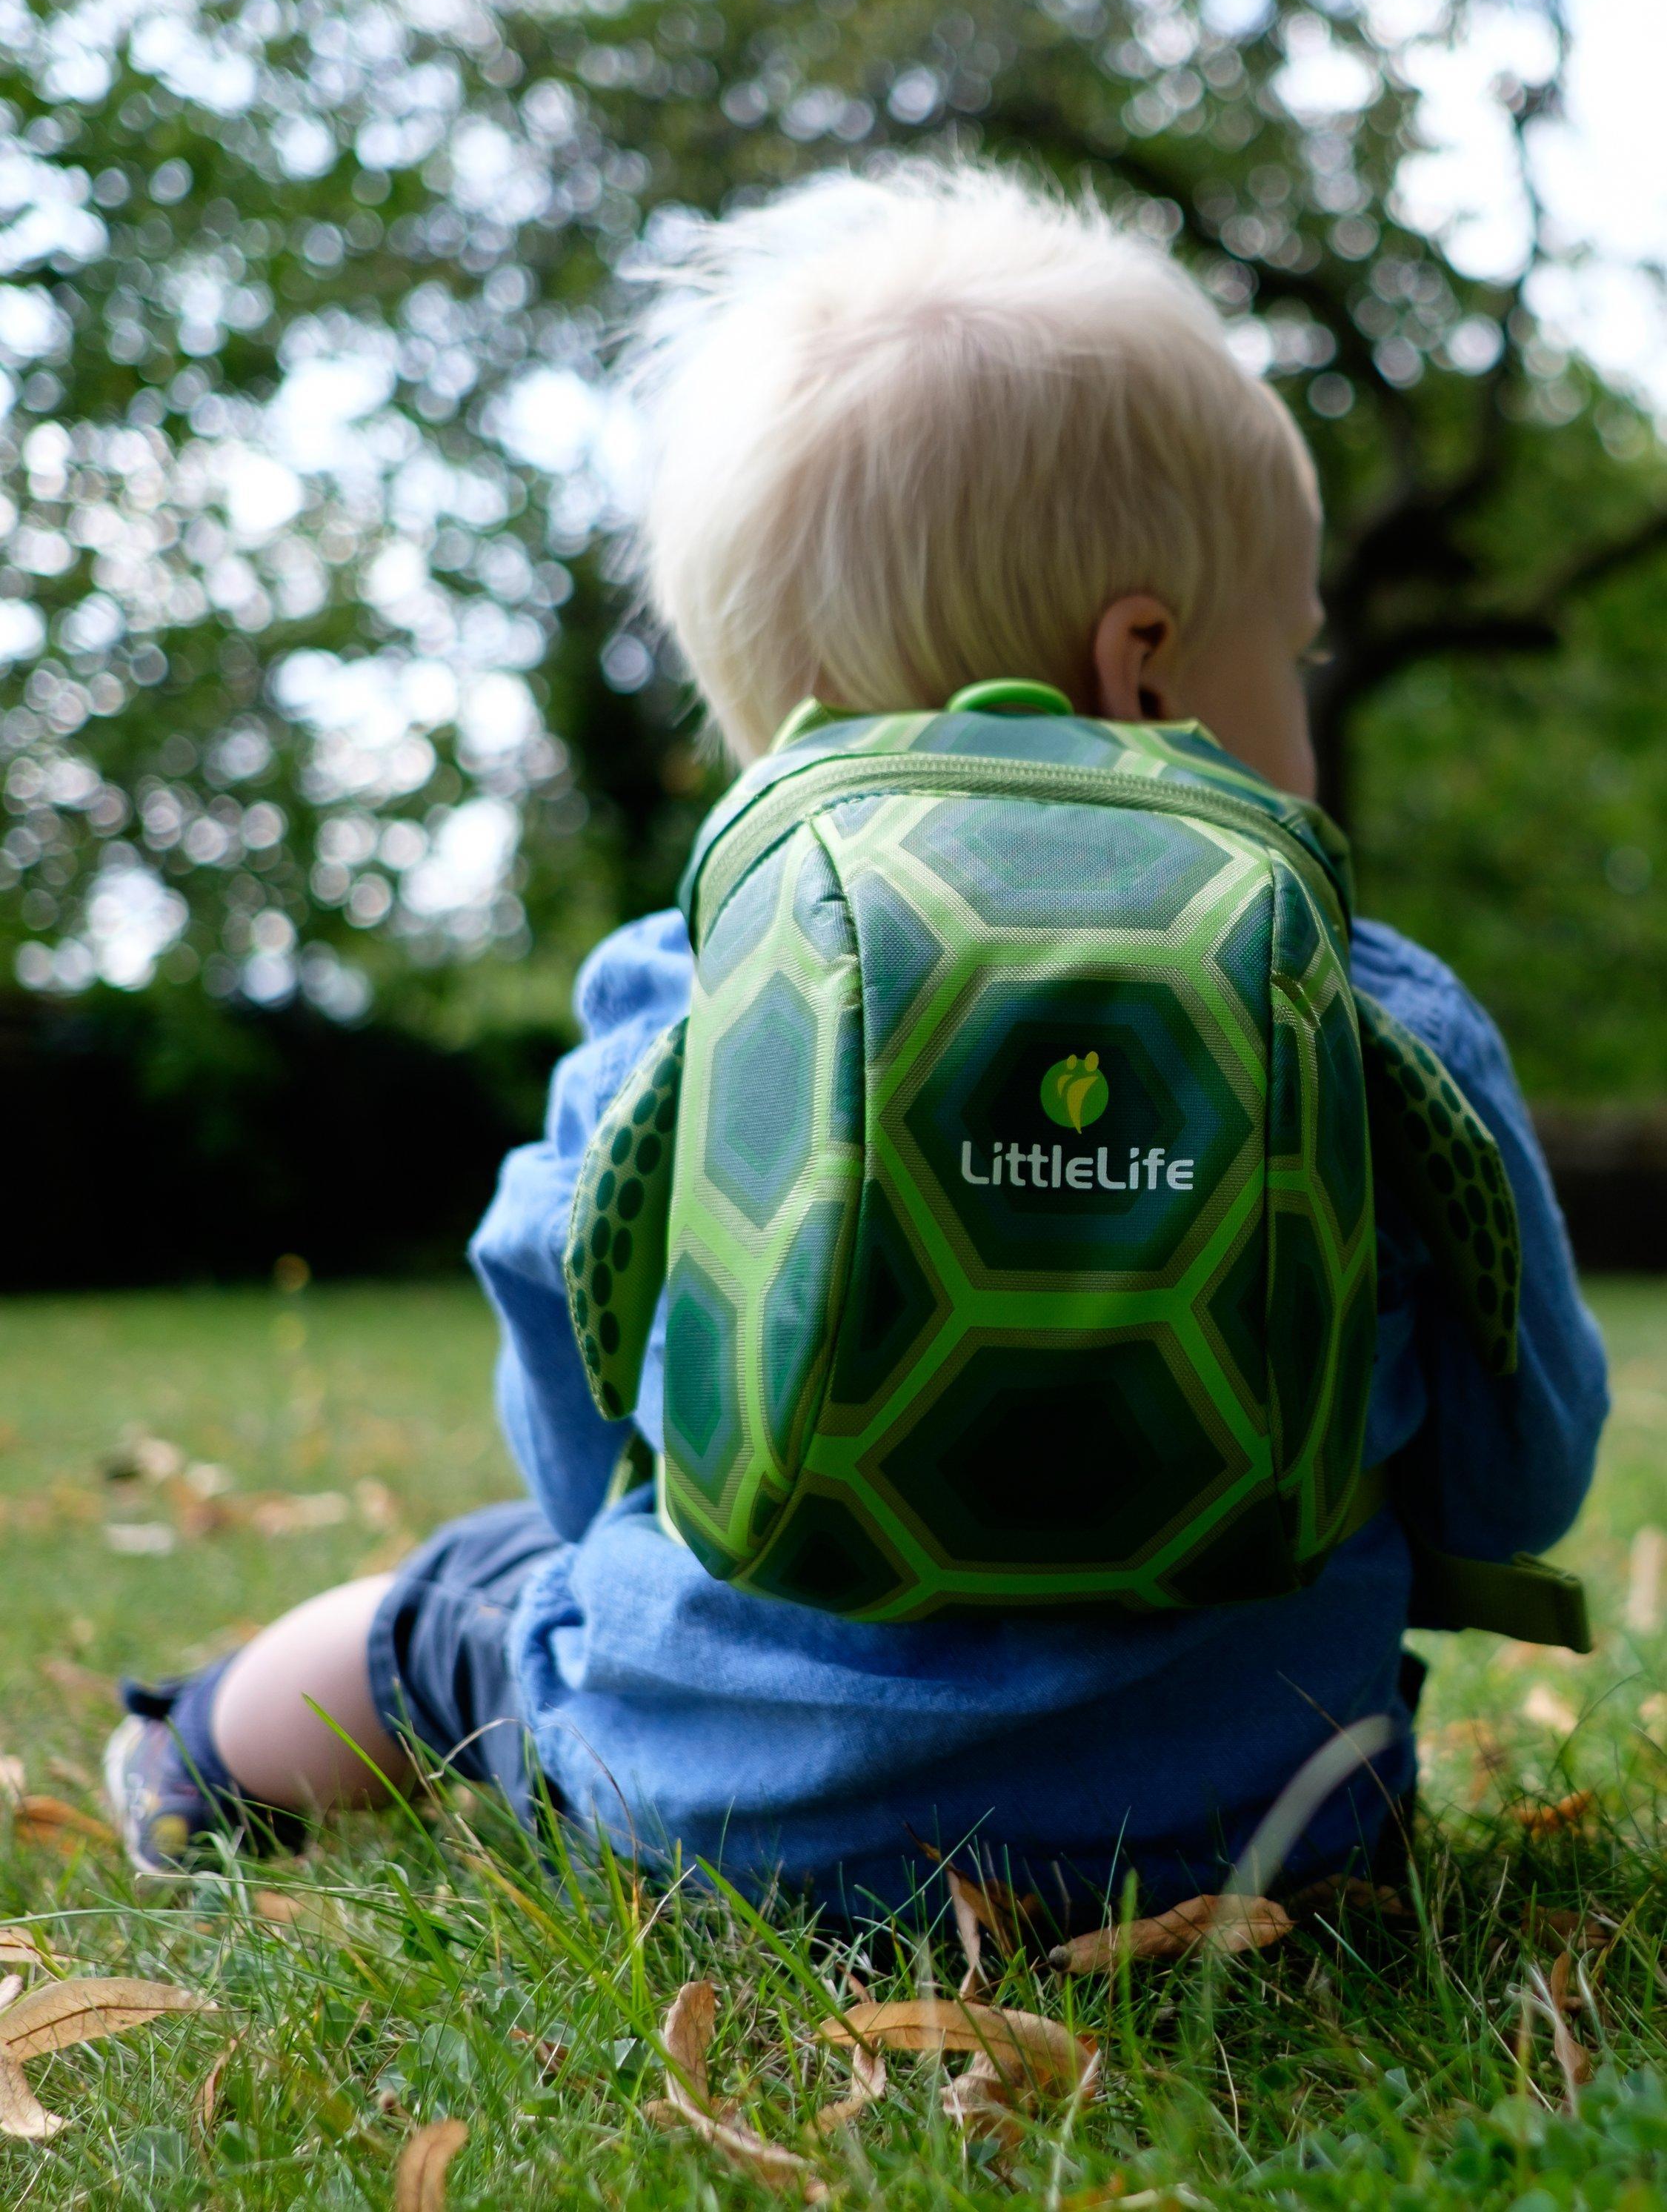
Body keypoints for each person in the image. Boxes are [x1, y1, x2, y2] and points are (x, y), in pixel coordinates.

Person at [106, 162, 1608, 1917]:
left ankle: (192, 1754)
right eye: (1297, 653)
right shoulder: (1370, 1003)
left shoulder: (686, 987)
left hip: (710, 1822)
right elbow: (1520, 1480)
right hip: (1266, 1830)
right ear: (1142, 665)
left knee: (466, 1599)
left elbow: (576, 1431)